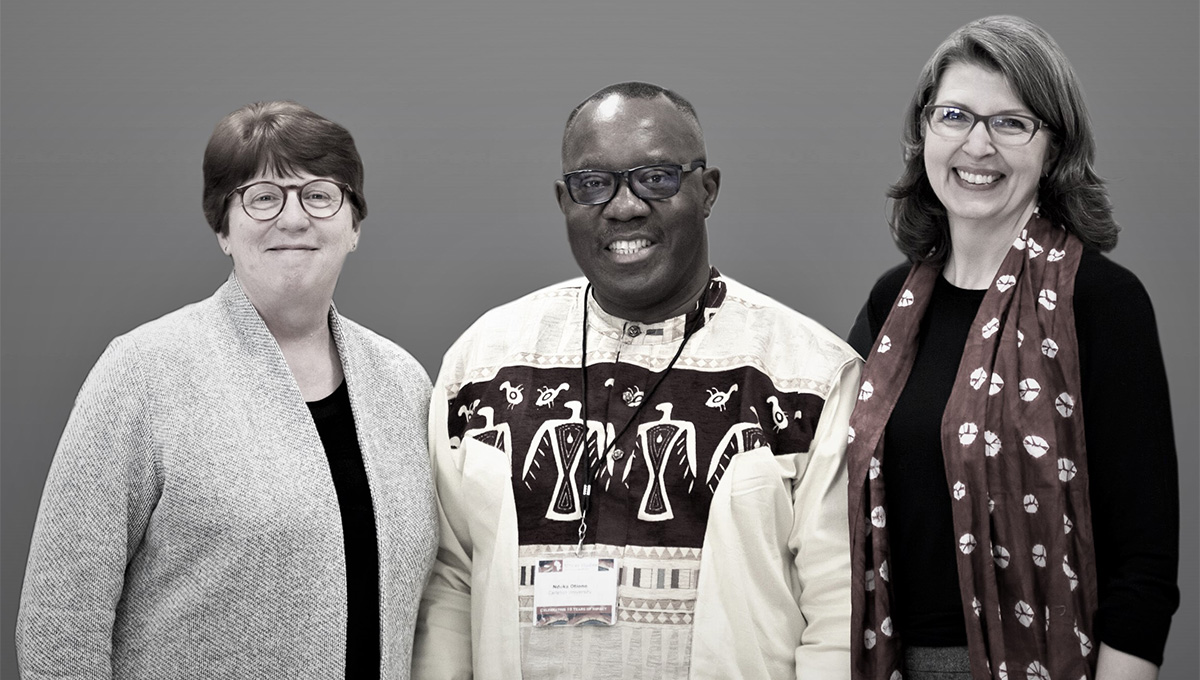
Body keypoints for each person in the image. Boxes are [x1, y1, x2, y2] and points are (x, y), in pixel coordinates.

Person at [414, 81, 861, 679]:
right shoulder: (483, 362)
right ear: (564, 200)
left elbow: (839, 609)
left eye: (655, 177)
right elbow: (449, 584)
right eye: (593, 183)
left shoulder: (808, 374)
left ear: (708, 190)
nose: (624, 206)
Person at [17, 101, 437, 678]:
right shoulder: (144, 372)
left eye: (320, 195)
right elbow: (59, 622)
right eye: (263, 197)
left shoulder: (403, 383)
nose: (294, 219)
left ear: (355, 226)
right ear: (223, 228)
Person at [846, 16, 1179, 680]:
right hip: (888, 661)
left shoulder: (1102, 302)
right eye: (954, 116)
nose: (978, 145)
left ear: (1054, 149)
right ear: (923, 133)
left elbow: (1144, 561)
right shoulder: (893, 303)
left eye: (1011, 123)